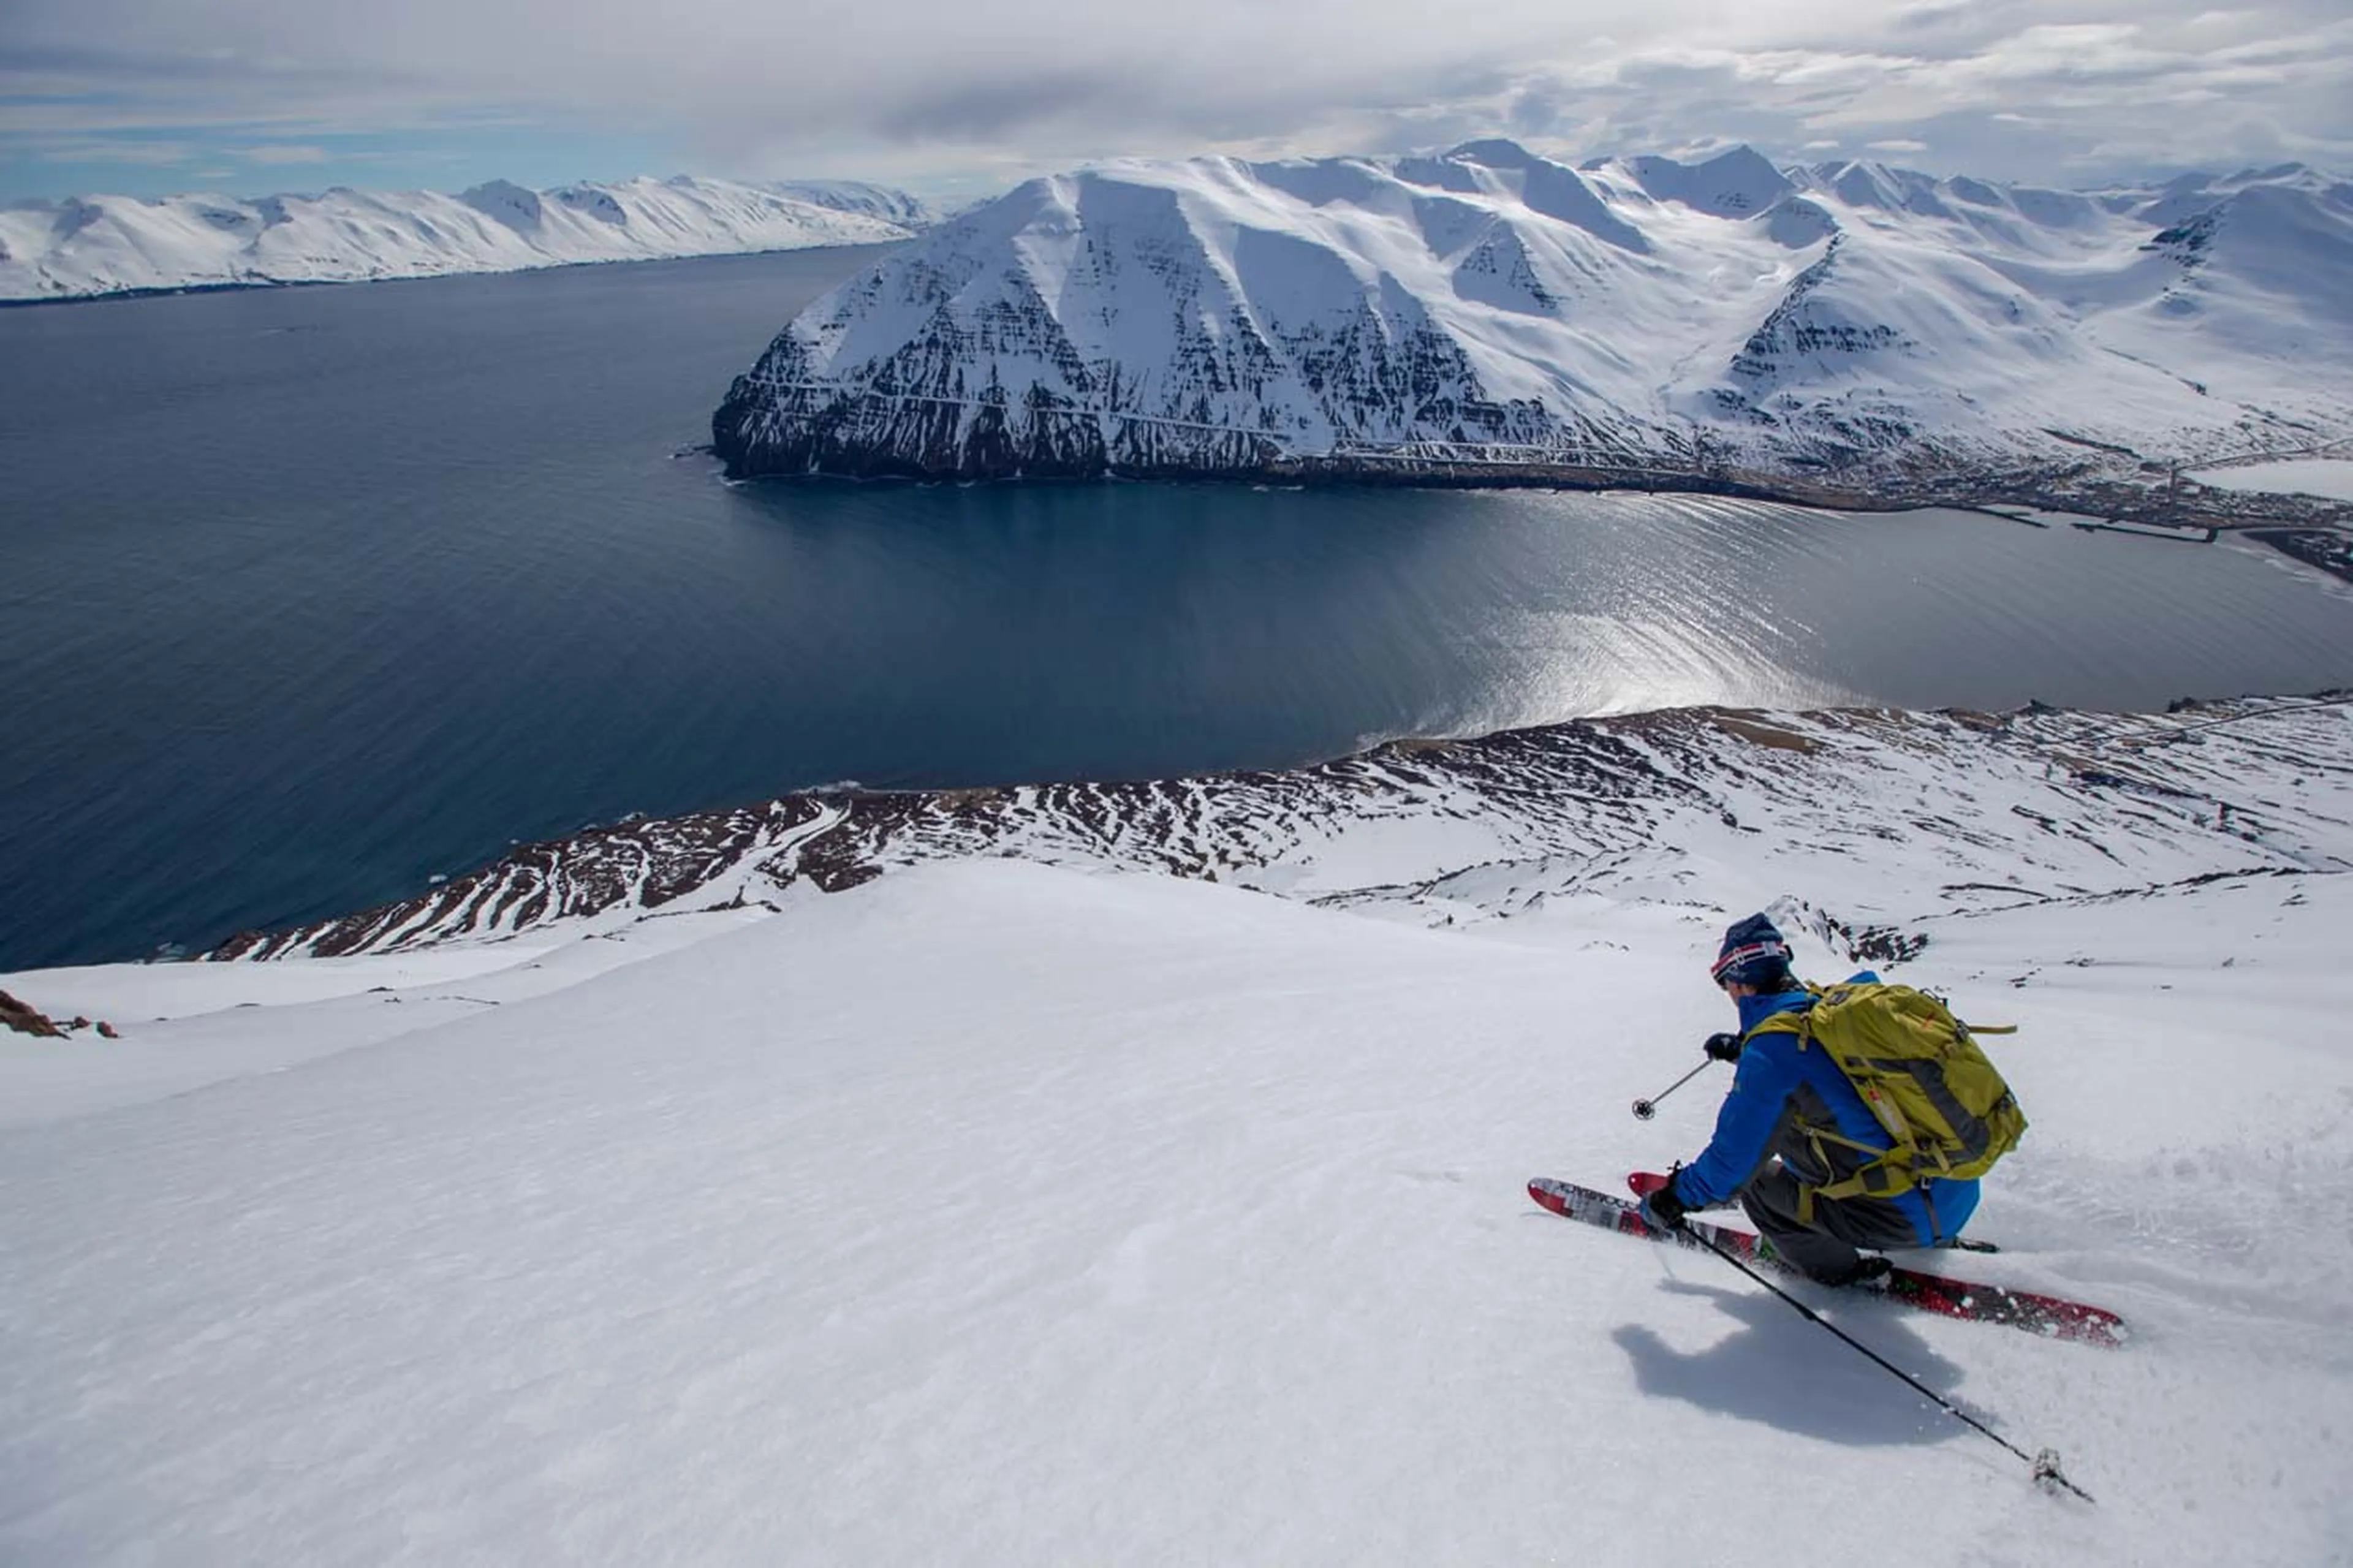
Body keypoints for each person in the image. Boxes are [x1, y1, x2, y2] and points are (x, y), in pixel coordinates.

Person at [1636, 913, 1981, 1286]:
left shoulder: (1775, 1052)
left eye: (1726, 985)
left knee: (1757, 1184)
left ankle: (1842, 1274)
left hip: (1898, 1221)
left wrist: (1672, 1200)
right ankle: (1933, 1231)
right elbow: (1823, 1073)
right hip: (1953, 1191)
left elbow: (1730, 1165)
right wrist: (1746, 1050)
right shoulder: (1832, 1014)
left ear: (1740, 981)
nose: (1729, 994)